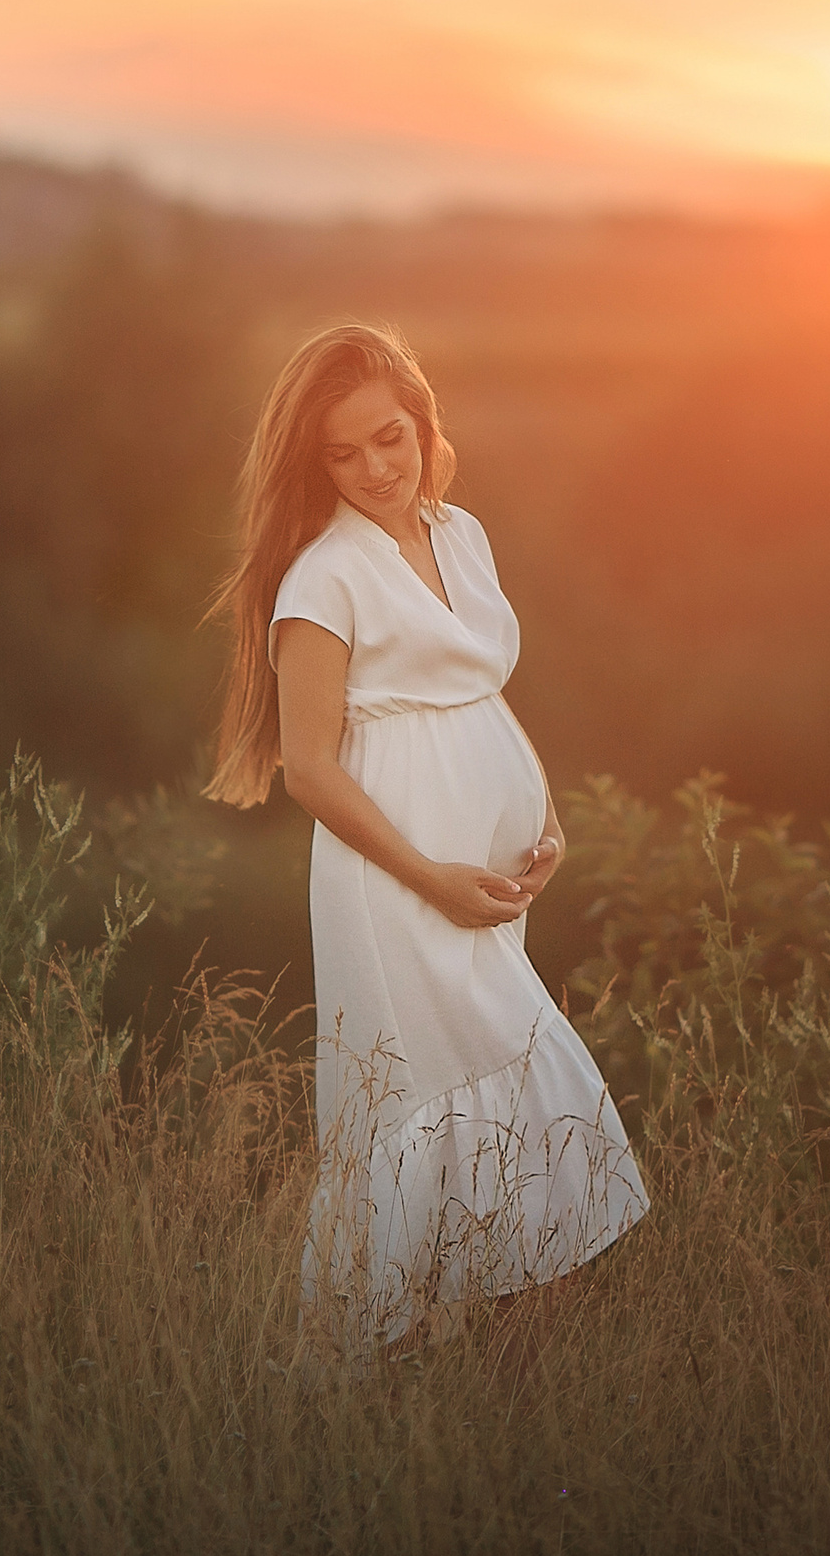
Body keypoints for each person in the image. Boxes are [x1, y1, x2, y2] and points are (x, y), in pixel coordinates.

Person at [205, 324, 648, 1359]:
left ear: (423, 418)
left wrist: (543, 818)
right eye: (342, 454)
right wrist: (430, 878)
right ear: (313, 464)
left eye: (388, 438)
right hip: (397, 879)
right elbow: (309, 766)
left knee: (505, 1100)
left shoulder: (462, 534)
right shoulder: (323, 579)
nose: (373, 469)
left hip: (477, 883)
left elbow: (477, 686)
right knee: (496, 1089)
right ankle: (390, 1354)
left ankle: (481, 1374)